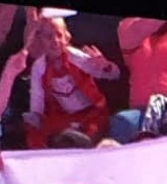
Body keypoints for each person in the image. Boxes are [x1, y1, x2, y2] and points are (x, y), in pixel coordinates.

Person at [26, 16, 120, 149]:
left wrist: (105, 66)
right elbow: (37, 101)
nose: (55, 41)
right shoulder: (39, 67)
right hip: (63, 117)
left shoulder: (77, 58)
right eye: (49, 37)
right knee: (34, 127)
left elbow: (114, 75)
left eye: (59, 35)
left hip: (91, 114)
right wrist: (34, 123)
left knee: (88, 135)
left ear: (67, 37)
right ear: (40, 40)